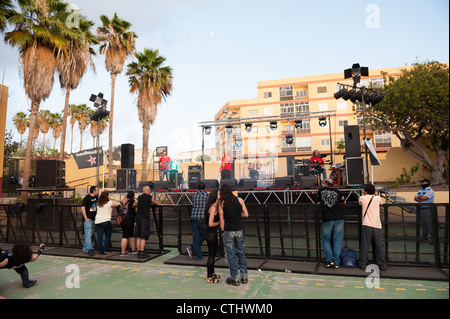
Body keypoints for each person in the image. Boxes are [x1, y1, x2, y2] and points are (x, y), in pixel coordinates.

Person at [218, 183, 249, 286]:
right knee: (241, 253)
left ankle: (234, 278)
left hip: (228, 230)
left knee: (231, 255)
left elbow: (222, 220)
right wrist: (237, 213)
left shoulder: (222, 203)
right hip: (239, 230)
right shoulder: (239, 200)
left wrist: (222, 231)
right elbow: (246, 214)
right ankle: (244, 277)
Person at [317, 178, 345, 268]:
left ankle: (330, 259)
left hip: (327, 218)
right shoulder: (337, 191)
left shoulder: (321, 190)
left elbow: (318, 200)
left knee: (325, 240)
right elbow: (343, 201)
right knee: (338, 240)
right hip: (339, 217)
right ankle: (336, 261)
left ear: (325, 184)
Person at [358, 183, 387, 271]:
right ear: (374, 191)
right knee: (379, 246)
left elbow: (360, 204)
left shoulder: (362, 198)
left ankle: (362, 264)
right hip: (377, 225)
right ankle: (382, 265)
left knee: (365, 245)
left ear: (365, 191)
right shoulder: (377, 198)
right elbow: (382, 203)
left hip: (366, 224)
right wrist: (376, 194)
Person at [133, 186, 158, 259]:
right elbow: (155, 203)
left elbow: (135, 204)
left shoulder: (139, 197)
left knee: (138, 236)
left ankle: (138, 251)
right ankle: (142, 252)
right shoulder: (150, 197)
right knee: (143, 236)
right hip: (145, 218)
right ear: (149, 190)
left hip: (138, 217)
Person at [187, 182, 209, 260]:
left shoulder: (194, 195)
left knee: (196, 236)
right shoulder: (207, 195)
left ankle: (196, 253)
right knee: (205, 234)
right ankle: (193, 249)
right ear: (204, 187)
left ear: (197, 187)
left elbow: (194, 203)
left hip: (193, 216)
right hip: (202, 217)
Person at [204, 190, 221, 283]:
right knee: (211, 255)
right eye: (219, 194)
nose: (220, 195)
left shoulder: (216, 206)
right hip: (210, 233)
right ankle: (209, 277)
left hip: (212, 233)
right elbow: (210, 223)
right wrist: (219, 223)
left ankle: (212, 273)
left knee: (213, 254)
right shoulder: (213, 208)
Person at [414, 178, 435, 243]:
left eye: (423, 182)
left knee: (429, 224)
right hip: (421, 209)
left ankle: (433, 239)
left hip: (427, 209)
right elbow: (415, 198)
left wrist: (421, 198)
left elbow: (424, 197)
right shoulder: (420, 191)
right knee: (422, 224)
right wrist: (422, 199)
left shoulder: (430, 190)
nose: (422, 184)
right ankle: (424, 238)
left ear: (427, 183)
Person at [81, 186, 99, 256]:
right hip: (88, 219)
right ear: (93, 191)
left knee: (90, 235)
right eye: (97, 190)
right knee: (88, 234)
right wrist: (85, 218)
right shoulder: (87, 198)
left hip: (94, 219)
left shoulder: (96, 198)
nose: (98, 191)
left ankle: (85, 249)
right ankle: (89, 249)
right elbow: (83, 207)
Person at [119, 191, 137, 256]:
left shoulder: (122, 201)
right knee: (127, 236)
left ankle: (131, 249)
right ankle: (124, 251)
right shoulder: (133, 202)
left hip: (123, 219)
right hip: (130, 219)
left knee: (127, 235)